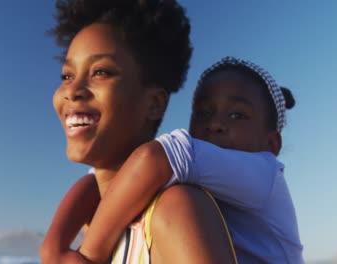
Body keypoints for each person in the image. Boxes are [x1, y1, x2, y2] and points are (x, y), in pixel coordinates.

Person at [43, 56, 304, 263]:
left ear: (271, 144)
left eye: (236, 115)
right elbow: (96, 183)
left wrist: (90, 255)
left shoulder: (264, 172)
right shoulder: (197, 174)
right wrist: (53, 247)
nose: (215, 124)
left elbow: (153, 158)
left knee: (173, 201)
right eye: (202, 113)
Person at [40, 0, 237, 263]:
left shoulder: (175, 210)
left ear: (154, 104)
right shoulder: (90, 219)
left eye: (100, 72)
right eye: (67, 75)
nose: (72, 90)